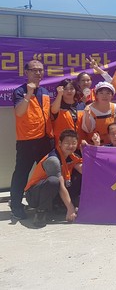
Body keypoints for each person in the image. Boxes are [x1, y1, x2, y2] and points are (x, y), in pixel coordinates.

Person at [10, 60, 53, 220]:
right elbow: (19, 112)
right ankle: (16, 205)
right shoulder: (20, 91)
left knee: (48, 174)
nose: (38, 73)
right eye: (34, 70)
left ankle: (45, 204)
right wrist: (28, 93)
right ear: (26, 72)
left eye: (40, 70)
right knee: (21, 174)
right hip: (27, 141)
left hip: (45, 140)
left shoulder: (45, 91)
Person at [24, 129, 82, 227]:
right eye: (67, 143)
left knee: (80, 176)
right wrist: (70, 208)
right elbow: (61, 186)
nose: (70, 146)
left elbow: (84, 171)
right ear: (60, 143)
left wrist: (90, 149)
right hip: (34, 195)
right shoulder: (53, 160)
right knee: (54, 181)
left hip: (53, 192)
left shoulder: (73, 156)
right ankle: (41, 212)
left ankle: (59, 206)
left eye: (74, 143)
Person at [81, 81, 116, 146]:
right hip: (94, 144)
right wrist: (87, 116)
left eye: (108, 93)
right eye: (101, 93)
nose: (104, 96)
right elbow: (88, 130)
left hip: (112, 145)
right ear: (96, 95)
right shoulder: (89, 109)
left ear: (112, 95)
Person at [50, 78, 84, 146]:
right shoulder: (57, 105)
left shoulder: (82, 105)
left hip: (79, 144)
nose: (69, 91)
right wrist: (59, 94)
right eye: (65, 89)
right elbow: (54, 111)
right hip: (63, 145)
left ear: (75, 90)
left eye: (71, 88)